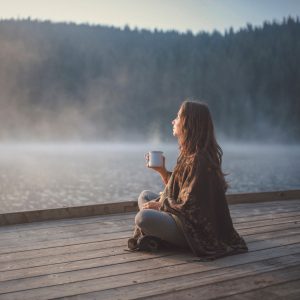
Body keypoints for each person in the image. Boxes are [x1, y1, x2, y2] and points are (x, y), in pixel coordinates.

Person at [128, 100, 248, 260]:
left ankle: (167, 238)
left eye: (177, 117)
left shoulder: (200, 160)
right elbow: (181, 190)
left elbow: (192, 206)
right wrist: (162, 171)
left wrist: (161, 205)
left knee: (143, 218)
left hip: (196, 230)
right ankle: (160, 234)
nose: (173, 121)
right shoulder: (189, 154)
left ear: (188, 123)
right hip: (181, 216)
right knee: (145, 196)